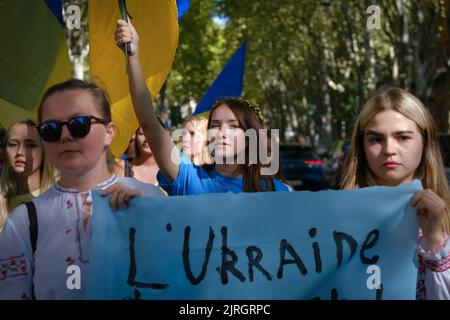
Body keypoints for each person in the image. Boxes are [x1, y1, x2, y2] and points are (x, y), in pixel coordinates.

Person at [0, 79, 163, 299]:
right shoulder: (23, 221)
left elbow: (178, 284)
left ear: (109, 131)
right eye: (51, 129)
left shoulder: (150, 199)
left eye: (79, 124)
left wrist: (144, 224)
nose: (65, 136)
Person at [115, 19, 289, 195]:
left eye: (233, 126)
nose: (221, 132)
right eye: (214, 125)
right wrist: (133, 56)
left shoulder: (277, 193)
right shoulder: (189, 179)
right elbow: (148, 121)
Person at [341, 87, 450, 299]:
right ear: (361, 146)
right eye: (376, 139)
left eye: (403, 137)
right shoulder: (335, 216)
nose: (389, 149)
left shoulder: (442, 214)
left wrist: (435, 240)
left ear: (425, 142)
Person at [0, 120, 55, 231]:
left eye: (30, 145)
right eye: (13, 144)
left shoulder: (63, 201)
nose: (20, 151)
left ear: (44, 151)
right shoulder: (2, 203)